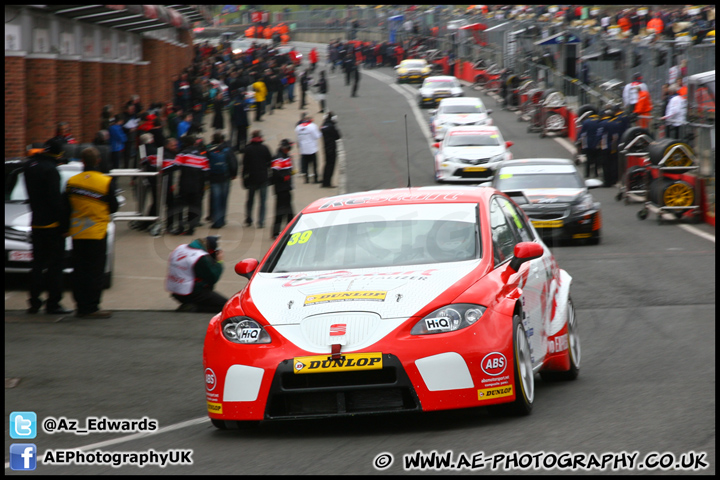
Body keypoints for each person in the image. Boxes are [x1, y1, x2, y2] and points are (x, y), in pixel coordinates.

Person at [65, 147, 118, 318]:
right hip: (97, 233)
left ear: (82, 161)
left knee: (79, 271)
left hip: (78, 233)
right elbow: (114, 207)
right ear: (98, 161)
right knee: (95, 271)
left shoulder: (72, 182)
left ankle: (80, 306)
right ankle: (92, 307)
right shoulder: (106, 181)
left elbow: (66, 206)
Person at [23, 138, 72, 315]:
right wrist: (64, 224)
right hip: (52, 225)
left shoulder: (30, 166)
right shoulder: (51, 171)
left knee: (37, 264)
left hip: (36, 222)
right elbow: (55, 201)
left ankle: (34, 302)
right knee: (55, 266)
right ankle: (53, 303)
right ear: (59, 154)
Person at [166, 235, 228, 313]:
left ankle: (189, 304)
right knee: (226, 306)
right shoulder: (199, 256)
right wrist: (219, 262)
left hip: (175, 291)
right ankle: (194, 307)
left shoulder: (180, 248)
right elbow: (213, 277)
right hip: (190, 293)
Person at [175, 135, 209, 236]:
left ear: (185, 144)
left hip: (184, 186)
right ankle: (191, 229)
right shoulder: (202, 156)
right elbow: (206, 174)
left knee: (180, 208)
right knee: (194, 209)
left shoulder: (182, 154)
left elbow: (174, 165)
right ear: (195, 143)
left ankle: (180, 228)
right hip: (197, 187)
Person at [242, 130, 273, 228]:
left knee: (250, 200)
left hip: (252, 178)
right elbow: (270, 163)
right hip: (263, 178)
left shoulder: (248, 149)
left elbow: (244, 166)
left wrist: (244, 178)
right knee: (263, 201)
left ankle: (249, 218)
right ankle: (261, 221)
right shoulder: (265, 148)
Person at [207, 132, 238, 229]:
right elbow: (233, 162)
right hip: (225, 177)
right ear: (222, 139)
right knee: (224, 199)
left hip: (214, 177)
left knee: (216, 199)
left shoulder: (209, 149)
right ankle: (222, 219)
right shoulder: (227, 149)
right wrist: (233, 174)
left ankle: (216, 221)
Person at [271, 139, 296, 239]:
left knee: (289, 211)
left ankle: (290, 230)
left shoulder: (286, 156)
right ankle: (275, 233)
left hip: (287, 188)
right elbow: (275, 172)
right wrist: (283, 178)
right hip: (281, 189)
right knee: (280, 211)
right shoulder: (278, 158)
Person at [296, 113, 323, 184]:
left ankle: (306, 179)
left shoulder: (298, 127)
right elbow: (317, 136)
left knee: (305, 164)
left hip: (303, 149)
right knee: (314, 164)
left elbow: (299, 138)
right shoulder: (312, 126)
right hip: (312, 148)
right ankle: (315, 179)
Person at [320, 112, 341, 188]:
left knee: (326, 165)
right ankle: (327, 183)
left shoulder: (323, 125)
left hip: (326, 147)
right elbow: (338, 136)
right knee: (330, 166)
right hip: (331, 147)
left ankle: (325, 181)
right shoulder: (331, 126)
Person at [579, 111, 601, 178]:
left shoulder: (586, 122)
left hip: (588, 143)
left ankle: (587, 174)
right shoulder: (599, 121)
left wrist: (580, 141)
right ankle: (596, 173)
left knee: (588, 159)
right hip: (597, 143)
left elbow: (582, 133)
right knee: (597, 159)